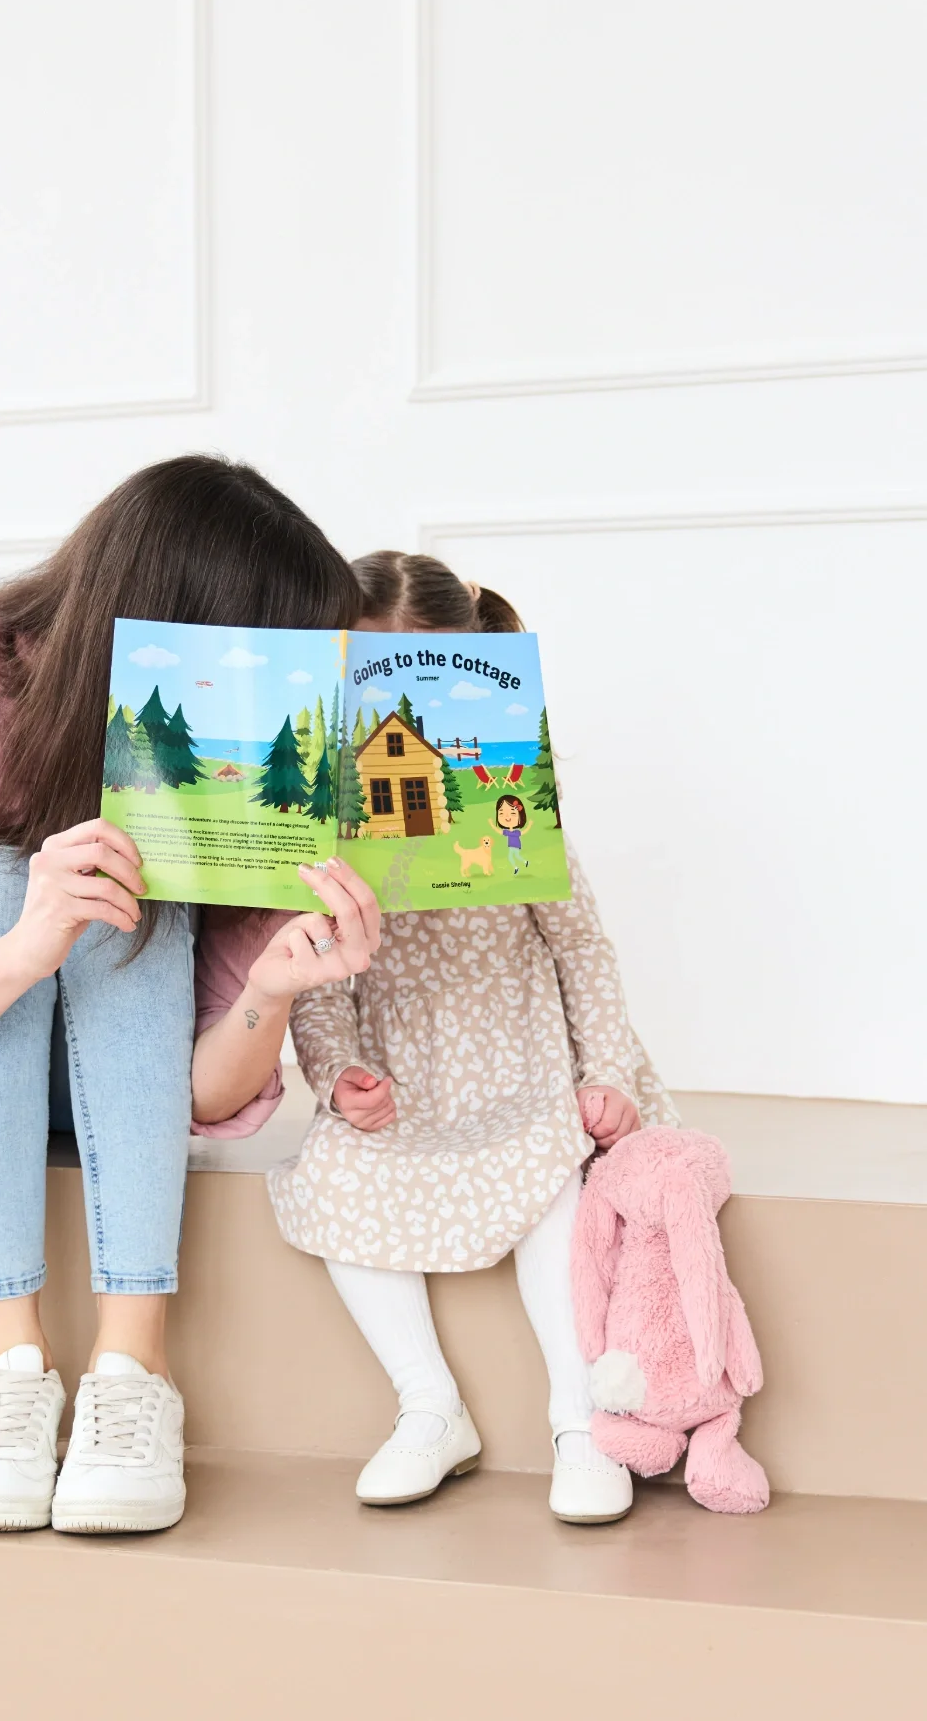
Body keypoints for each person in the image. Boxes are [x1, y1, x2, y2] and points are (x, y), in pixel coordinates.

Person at [0, 455, 361, 1535]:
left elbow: (199, 1092)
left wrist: (273, 990)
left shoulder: (250, 792)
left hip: (131, 1075)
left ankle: (132, 1370)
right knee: (7, 875)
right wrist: (23, 948)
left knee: (136, 898)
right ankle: (6, 1367)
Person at [191, 550, 678, 1522]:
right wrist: (340, 1079)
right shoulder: (323, 829)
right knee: (337, 1178)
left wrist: (606, 1072)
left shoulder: (514, 811)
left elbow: (582, 948)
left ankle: (578, 1417)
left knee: (560, 1193)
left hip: (527, 1067)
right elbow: (315, 976)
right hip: (409, 1083)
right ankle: (429, 1404)